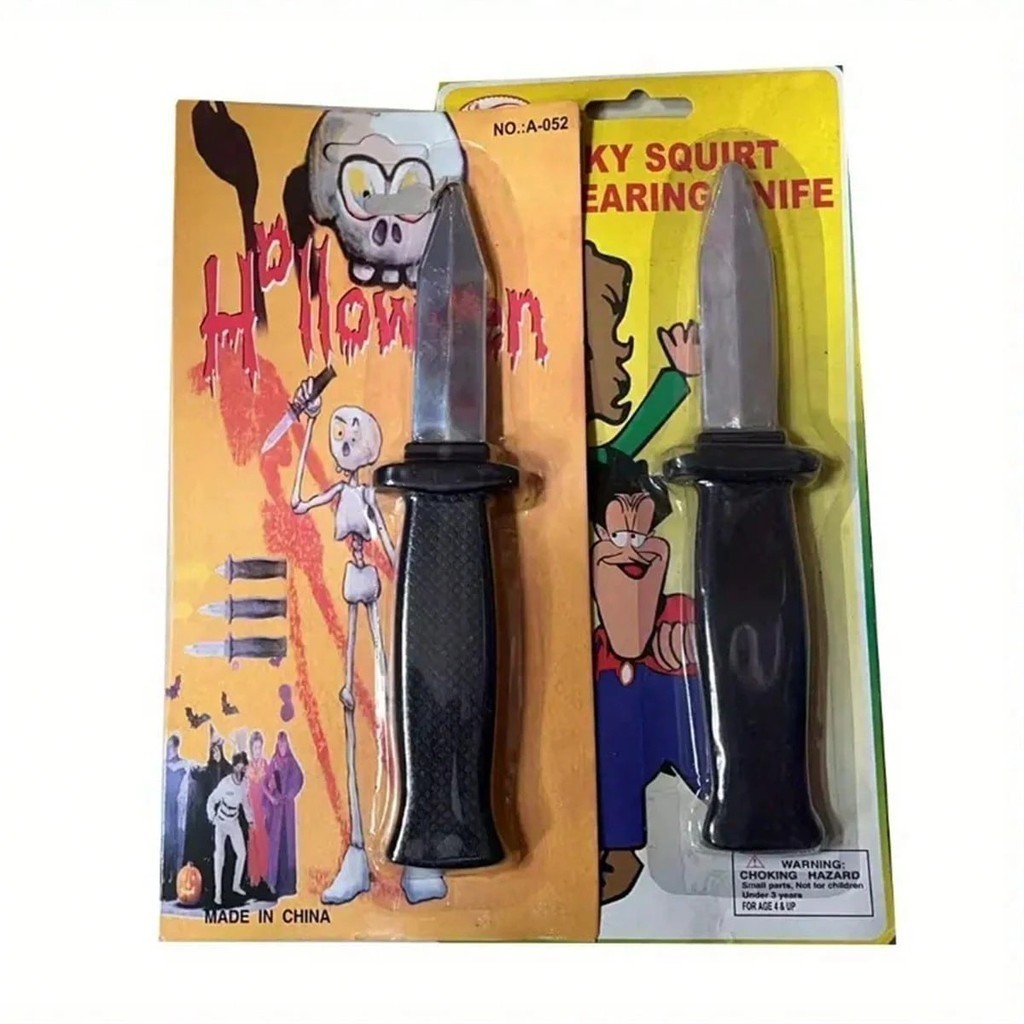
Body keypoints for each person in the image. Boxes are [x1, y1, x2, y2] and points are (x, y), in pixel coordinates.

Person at [181, 731, 231, 905]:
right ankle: (208, 889)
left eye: (218, 749)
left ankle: (224, 890)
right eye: (213, 750)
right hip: (210, 820)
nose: (215, 753)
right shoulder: (207, 770)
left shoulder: (227, 770)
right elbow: (199, 775)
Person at [207, 752, 253, 906]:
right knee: (219, 857)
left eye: (243, 767)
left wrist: (250, 820)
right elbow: (212, 800)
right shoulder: (225, 783)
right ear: (233, 767)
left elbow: (245, 803)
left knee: (242, 854)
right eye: (238, 766)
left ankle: (236, 885)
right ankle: (218, 894)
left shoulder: (245, 784)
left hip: (234, 823)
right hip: (221, 823)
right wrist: (212, 817)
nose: (241, 770)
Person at [263, 731, 304, 898]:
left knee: (288, 844)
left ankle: (289, 885)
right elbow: (265, 784)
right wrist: (272, 797)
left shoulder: (292, 763)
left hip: (287, 810)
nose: (282, 748)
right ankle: (274, 884)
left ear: (288, 746)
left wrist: (290, 795)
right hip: (276, 811)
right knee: (276, 845)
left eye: (284, 745)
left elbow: (299, 779)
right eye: (280, 745)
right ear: (276, 745)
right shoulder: (273, 762)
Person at [161, 734, 190, 900]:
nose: (169, 750)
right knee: (167, 843)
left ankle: (175, 881)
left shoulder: (183, 766)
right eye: (167, 748)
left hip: (178, 808)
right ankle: (166, 880)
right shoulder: (163, 766)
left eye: (171, 747)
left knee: (177, 843)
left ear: (176, 747)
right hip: (166, 808)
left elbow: (185, 790)